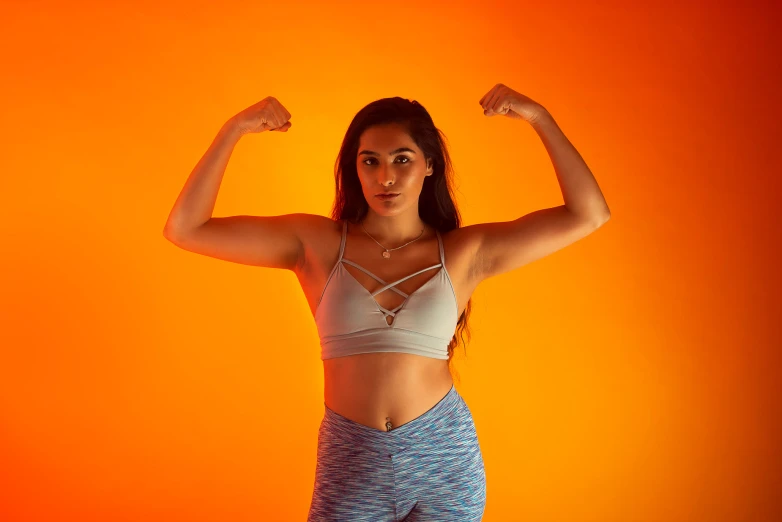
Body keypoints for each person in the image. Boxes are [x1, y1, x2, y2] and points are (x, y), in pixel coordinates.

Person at [163, 86, 611, 521]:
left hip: (444, 458)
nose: (386, 177)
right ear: (354, 170)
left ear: (429, 165)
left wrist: (538, 117)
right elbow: (186, 228)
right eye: (370, 161)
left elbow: (589, 213)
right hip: (352, 458)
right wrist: (234, 128)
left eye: (402, 159)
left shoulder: (464, 252)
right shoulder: (316, 244)